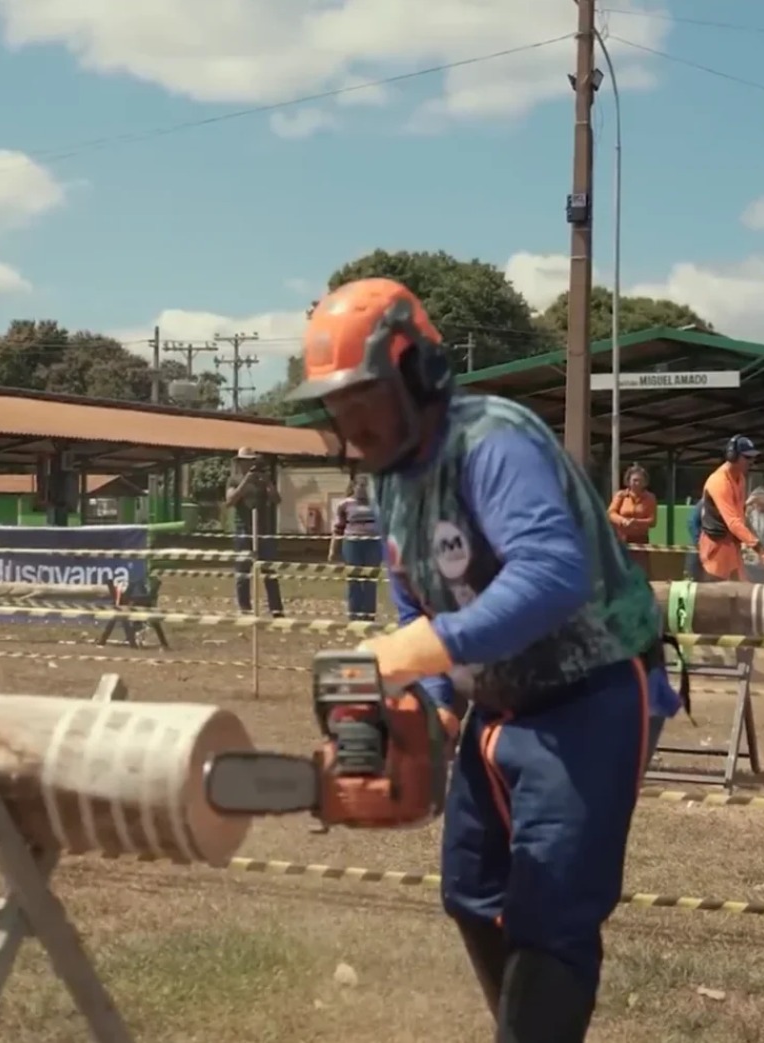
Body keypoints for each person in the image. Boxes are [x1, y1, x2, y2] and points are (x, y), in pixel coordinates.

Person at [290, 277, 660, 1041]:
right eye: (337, 407)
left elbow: (552, 573)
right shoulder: (393, 486)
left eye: (363, 399)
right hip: (498, 705)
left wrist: (426, 648)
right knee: (473, 891)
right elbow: (416, 603)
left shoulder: (493, 442)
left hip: (589, 691)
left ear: (418, 373)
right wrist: (431, 707)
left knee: (552, 911)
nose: (351, 425)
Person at [697, 435, 764, 580]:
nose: (751, 461)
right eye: (747, 457)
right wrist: (760, 548)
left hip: (733, 548)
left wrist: (751, 540)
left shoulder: (740, 479)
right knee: (716, 591)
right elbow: (733, 522)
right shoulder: (719, 481)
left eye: (753, 458)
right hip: (717, 550)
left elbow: (740, 515)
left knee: (740, 588)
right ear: (732, 456)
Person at [225, 447, 285, 616]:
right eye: (245, 462)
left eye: (251, 461)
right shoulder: (234, 480)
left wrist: (268, 483)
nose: (249, 465)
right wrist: (246, 482)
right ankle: (244, 607)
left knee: (269, 570)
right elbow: (230, 501)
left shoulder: (263, 479)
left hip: (263, 530)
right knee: (243, 570)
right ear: (239, 463)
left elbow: (276, 499)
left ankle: (276, 608)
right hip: (243, 529)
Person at [329, 473, 381, 619]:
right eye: (361, 486)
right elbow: (338, 528)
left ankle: (369, 615)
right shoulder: (344, 505)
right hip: (352, 544)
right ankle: (354, 614)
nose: (363, 489)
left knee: (370, 580)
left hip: (373, 544)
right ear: (354, 487)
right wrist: (333, 549)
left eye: (366, 486)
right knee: (354, 579)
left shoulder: (377, 503)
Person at [607, 464, 658, 572]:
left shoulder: (650, 498)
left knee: (640, 570)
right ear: (628, 481)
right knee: (621, 569)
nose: (637, 483)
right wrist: (622, 521)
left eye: (640, 480)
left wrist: (636, 522)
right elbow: (611, 513)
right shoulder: (620, 495)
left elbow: (652, 521)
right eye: (634, 480)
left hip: (640, 539)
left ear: (645, 482)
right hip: (621, 538)